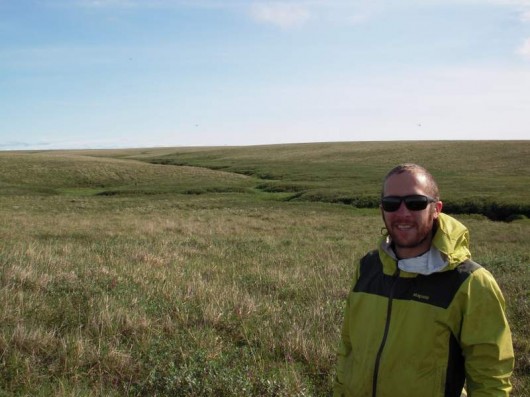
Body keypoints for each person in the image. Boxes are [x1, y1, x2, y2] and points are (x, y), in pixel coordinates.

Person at [333, 163, 514, 397]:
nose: (402, 213)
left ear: (436, 208)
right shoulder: (368, 268)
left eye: (415, 203)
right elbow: (348, 347)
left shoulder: (470, 283)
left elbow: (491, 378)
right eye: (391, 204)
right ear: (382, 209)